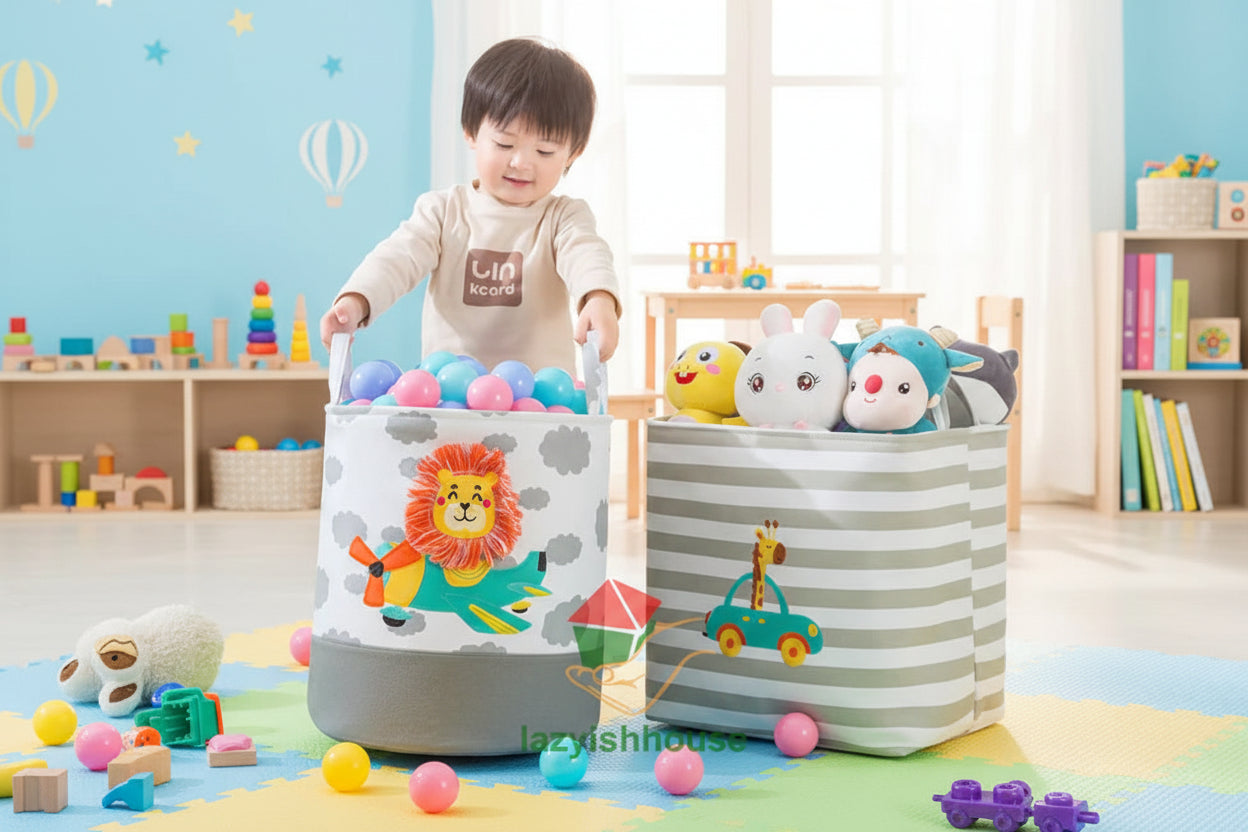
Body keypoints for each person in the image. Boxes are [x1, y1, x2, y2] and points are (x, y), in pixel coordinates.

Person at [320, 37, 621, 375]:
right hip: (450, 393)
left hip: (540, 398)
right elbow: (396, 258)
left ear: (574, 152)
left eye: (545, 151)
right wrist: (356, 300)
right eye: (504, 143)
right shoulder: (443, 212)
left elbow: (586, 254)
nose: (521, 162)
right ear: (471, 132)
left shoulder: (564, 218)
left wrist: (599, 298)